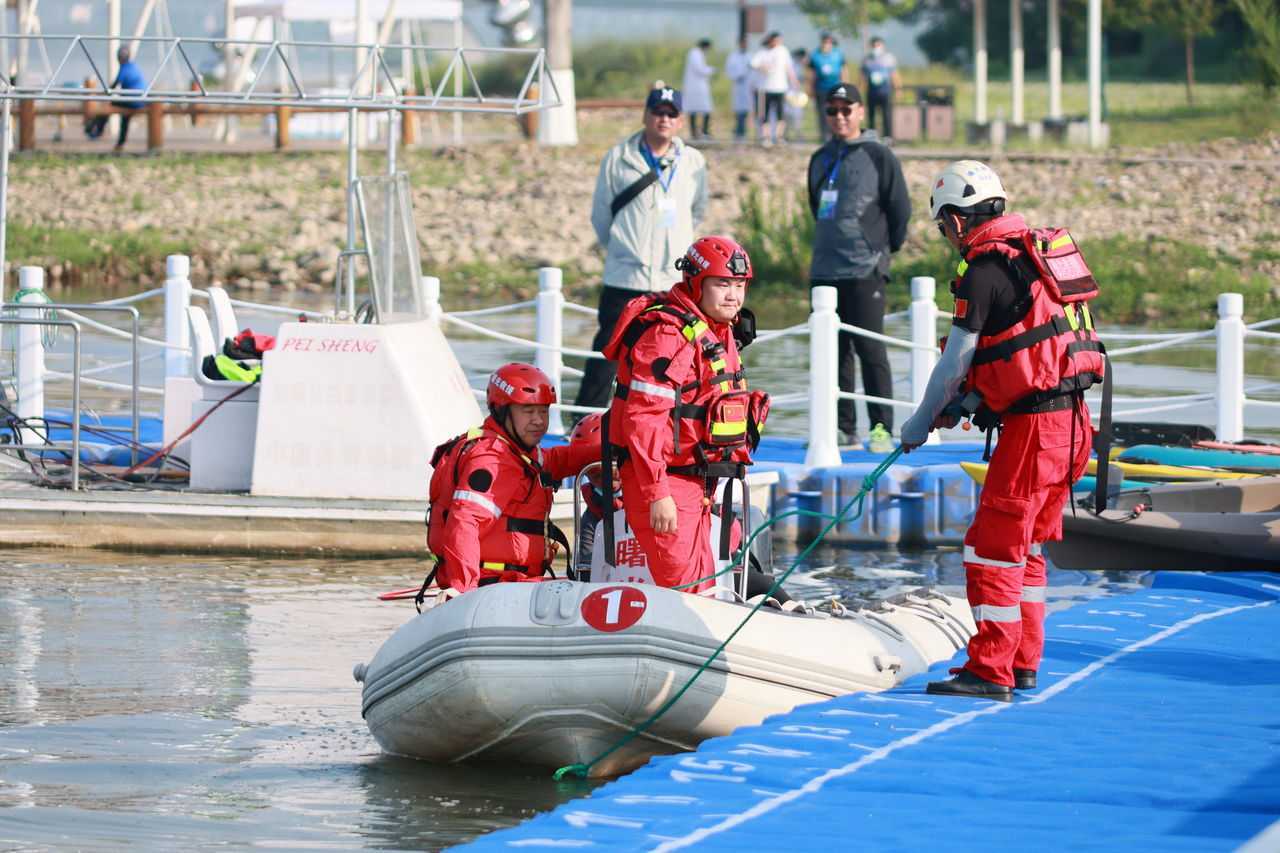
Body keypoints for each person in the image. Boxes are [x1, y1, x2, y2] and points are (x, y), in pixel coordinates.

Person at [900, 160, 1104, 701]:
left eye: (945, 226)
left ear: (958, 221)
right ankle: (1023, 662)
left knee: (990, 547)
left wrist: (920, 423)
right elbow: (1029, 348)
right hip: (1074, 423)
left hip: (1035, 432)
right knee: (1026, 546)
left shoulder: (983, 271)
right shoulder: (1032, 258)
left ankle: (990, 670)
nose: (947, 237)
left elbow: (954, 362)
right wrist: (970, 399)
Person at [602, 236, 769, 594]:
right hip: (667, 482)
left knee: (704, 585)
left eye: (739, 286)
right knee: (686, 588)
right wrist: (657, 493)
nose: (733, 296)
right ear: (696, 283)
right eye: (722, 284)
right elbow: (644, 419)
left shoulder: (718, 330)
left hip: (700, 482)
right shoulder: (667, 335)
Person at [576, 87, 709, 413]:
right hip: (626, 275)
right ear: (646, 115)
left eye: (671, 114)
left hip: (671, 279)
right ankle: (580, 419)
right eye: (658, 112)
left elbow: (697, 210)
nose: (664, 119)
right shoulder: (619, 157)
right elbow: (601, 215)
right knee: (608, 349)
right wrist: (625, 247)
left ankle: (671, 420)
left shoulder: (693, 161)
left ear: (680, 121)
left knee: (674, 353)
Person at [424, 363, 599, 600]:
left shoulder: (520, 452)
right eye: (528, 411)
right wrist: (463, 590)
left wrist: (611, 449)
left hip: (516, 584)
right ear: (502, 411)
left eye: (544, 411)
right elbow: (465, 522)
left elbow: (558, 460)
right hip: (493, 588)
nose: (538, 420)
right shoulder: (493, 460)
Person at [807, 82, 910, 447]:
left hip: (865, 268)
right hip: (824, 269)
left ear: (861, 112)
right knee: (833, 355)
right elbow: (814, 203)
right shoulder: (819, 157)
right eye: (832, 110)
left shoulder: (879, 155)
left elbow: (900, 210)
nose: (839, 117)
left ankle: (881, 428)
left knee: (871, 351)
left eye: (846, 109)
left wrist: (880, 252)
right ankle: (842, 428)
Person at [85, 47, 145, 152]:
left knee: (109, 107)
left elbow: (114, 85)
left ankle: (97, 130)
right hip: (141, 101)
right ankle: (120, 143)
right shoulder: (134, 66)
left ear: (119, 58)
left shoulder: (124, 68)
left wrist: (105, 92)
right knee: (125, 117)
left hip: (132, 101)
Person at [750, 31, 799, 146]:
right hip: (765, 88)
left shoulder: (783, 51)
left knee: (780, 114)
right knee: (764, 114)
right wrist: (763, 67)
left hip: (780, 87)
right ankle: (765, 137)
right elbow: (753, 64)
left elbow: (788, 67)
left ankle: (779, 137)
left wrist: (794, 81)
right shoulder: (762, 52)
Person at [860, 36, 900, 140]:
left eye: (878, 45)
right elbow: (863, 77)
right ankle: (872, 137)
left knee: (886, 115)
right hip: (872, 92)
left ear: (883, 45)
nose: (876, 47)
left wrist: (897, 89)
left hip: (885, 91)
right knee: (871, 116)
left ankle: (888, 137)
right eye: (874, 45)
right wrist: (860, 90)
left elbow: (894, 74)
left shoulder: (889, 58)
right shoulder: (867, 59)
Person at [808, 32, 845, 140]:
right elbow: (811, 73)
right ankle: (824, 134)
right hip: (820, 88)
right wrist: (810, 88)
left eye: (829, 42)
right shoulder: (815, 55)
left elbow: (843, 70)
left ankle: (835, 133)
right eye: (825, 42)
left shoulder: (838, 54)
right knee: (822, 112)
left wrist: (844, 85)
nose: (826, 44)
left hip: (836, 88)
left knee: (836, 111)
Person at [682, 39, 716, 139]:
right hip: (696, 88)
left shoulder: (696, 54)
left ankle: (701, 132)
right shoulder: (695, 53)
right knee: (698, 110)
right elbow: (700, 69)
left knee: (702, 109)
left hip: (698, 87)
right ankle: (698, 133)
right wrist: (711, 70)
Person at [725, 36, 754, 140]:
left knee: (746, 110)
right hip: (738, 85)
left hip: (748, 86)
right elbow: (729, 70)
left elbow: (754, 71)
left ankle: (742, 130)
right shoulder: (733, 56)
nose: (744, 45)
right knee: (738, 110)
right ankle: (738, 130)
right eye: (743, 43)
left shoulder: (750, 56)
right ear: (739, 44)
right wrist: (738, 75)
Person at [784, 48, 809, 140]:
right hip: (790, 93)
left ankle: (796, 134)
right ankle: (788, 134)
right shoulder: (793, 65)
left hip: (796, 94)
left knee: (796, 115)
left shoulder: (798, 65)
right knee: (790, 114)